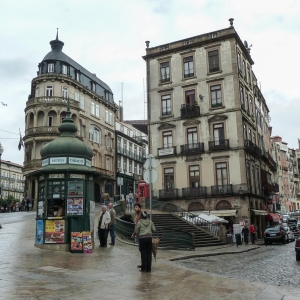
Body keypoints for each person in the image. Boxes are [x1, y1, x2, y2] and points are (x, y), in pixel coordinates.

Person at [131, 203, 143, 268]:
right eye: (134, 207)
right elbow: (136, 225)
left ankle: (144, 264)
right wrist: (134, 233)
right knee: (140, 249)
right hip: (138, 234)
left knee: (142, 249)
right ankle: (143, 263)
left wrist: (134, 233)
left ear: (139, 208)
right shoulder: (137, 215)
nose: (135, 209)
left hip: (142, 234)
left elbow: (139, 226)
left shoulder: (141, 215)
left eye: (136, 207)